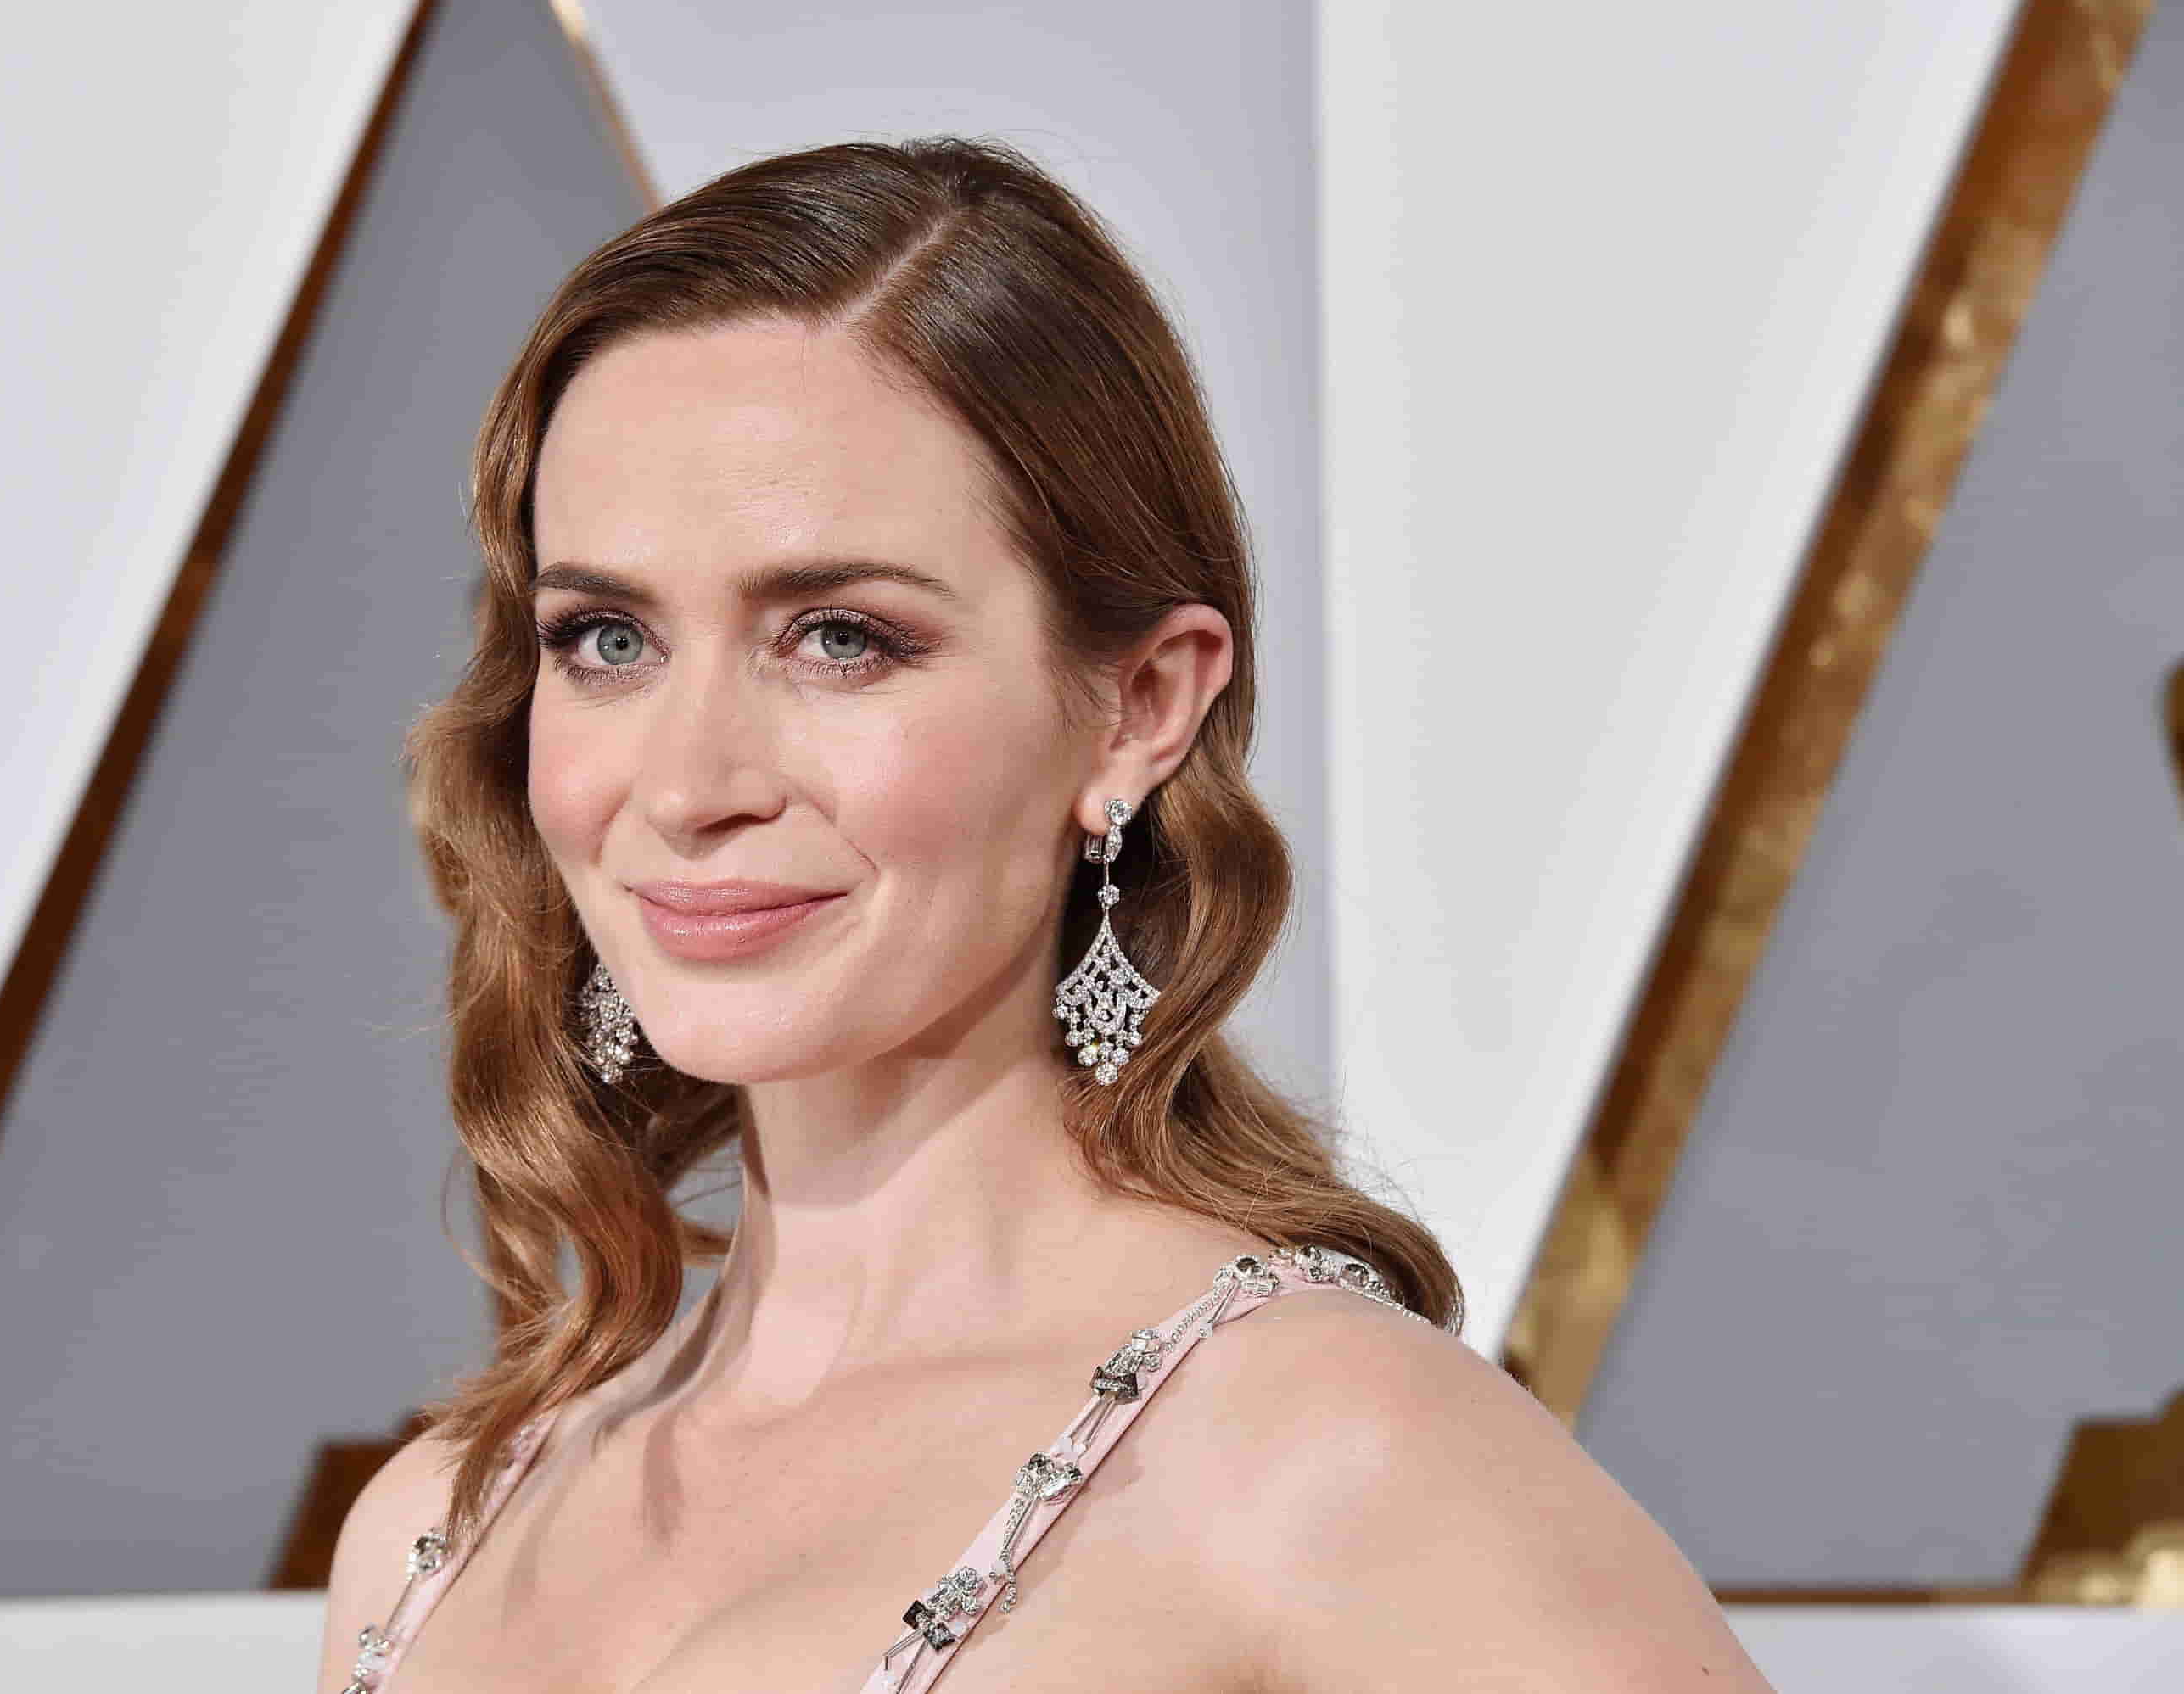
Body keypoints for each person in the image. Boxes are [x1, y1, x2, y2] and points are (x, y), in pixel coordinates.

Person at [318, 136, 1776, 1694]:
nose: (687, 784)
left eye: (839, 637)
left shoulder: (1329, 1466)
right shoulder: (436, 1520)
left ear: (1139, 707)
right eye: (607, 637)